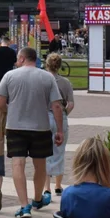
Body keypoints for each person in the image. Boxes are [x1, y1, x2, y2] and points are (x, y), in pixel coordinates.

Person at [0, 46, 63, 218]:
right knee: (40, 166)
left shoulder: (10, 75)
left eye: (18, 58)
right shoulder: (47, 77)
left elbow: (0, 101)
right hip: (41, 127)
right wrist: (59, 129)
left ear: (22, 59)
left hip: (15, 126)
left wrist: (11, 109)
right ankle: (37, 198)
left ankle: (24, 206)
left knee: (18, 164)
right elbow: (57, 105)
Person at [44, 53, 75, 196]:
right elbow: (71, 104)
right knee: (60, 151)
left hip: (45, 116)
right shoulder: (65, 82)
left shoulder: (43, 80)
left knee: (44, 152)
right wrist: (64, 114)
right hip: (60, 115)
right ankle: (57, 185)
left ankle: (46, 187)